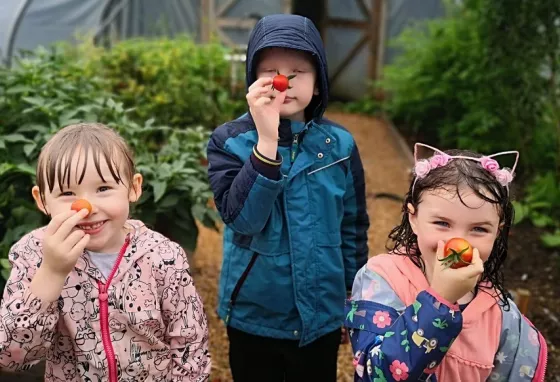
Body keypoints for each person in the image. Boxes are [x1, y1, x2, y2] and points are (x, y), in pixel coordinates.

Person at [206, 13, 370, 381]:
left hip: (320, 313)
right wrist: (266, 142)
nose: (284, 81)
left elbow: (353, 226)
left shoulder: (339, 145)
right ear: (252, 78)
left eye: (299, 71)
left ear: (319, 79)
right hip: (254, 315)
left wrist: (352, 296)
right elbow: (242, 218)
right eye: (271, 72)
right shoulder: (229, 141)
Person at [0, 123, 211, 381]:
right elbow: (12, 355)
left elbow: (190, 343)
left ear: (134, 188)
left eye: (103, 189)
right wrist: (52, 272)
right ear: (42, 200)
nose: (86, 207)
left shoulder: (163, 256)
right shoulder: (34, 255)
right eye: (67, 193)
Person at [344, 143, 548, 381]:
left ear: (498, 231)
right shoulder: (382, 279)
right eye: (442, 223)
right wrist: (439, 300)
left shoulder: (500, 313)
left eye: (479, 229)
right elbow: (374, 373)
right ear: (414, 219)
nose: (459, 242)